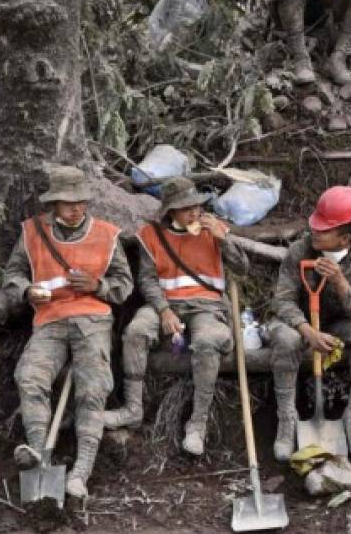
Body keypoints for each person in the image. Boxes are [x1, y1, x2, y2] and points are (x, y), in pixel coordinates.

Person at [7, 166, 133, 498]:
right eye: (67, 202)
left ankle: (81, 472)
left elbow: (125, 285)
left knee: (92, 388)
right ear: (53, 204)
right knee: (29, 376)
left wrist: (99, 285)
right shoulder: (32, 233)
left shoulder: (107, 234)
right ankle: (39, 456)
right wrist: (26, 290)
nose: (75, 208)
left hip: (93, 320)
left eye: (80, 202)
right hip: (49, 319)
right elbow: (13, 274)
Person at [103, 177, 249, 457]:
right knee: (135, 332)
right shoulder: (152, 236)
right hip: (166, 304)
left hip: (208, 307)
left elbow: (242, 269)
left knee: (208, 341)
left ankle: (198, 423)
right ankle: (133, 409)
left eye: (196, 207)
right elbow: (147, 281)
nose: (194, 213)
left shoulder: (215, 230)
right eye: (186, 209)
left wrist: (224, 240)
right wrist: (163, 310)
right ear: (170, 211)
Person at [265, 186, 351, 463]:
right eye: (315, 225)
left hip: (340, 325)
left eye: (324, 229)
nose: (314, 231)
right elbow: (282, 301)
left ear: (345, 239)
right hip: (298, 324)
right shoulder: (298, 251)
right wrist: (307, 330)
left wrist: (341, 283)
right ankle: (287, 420)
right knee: (285, 339)